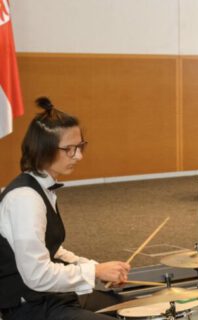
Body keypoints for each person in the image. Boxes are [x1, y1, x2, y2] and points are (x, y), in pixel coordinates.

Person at [0, 97, 130, 320]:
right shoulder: (25, 199)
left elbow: (52, 250)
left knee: (131, 308)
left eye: (80, 147)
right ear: (44, 149)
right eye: (69, 149)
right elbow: (36, 275)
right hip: (30, 308)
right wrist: (94, 272)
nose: (78, 156)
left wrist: (95, 268)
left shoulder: (41, 186)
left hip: (50, 296)